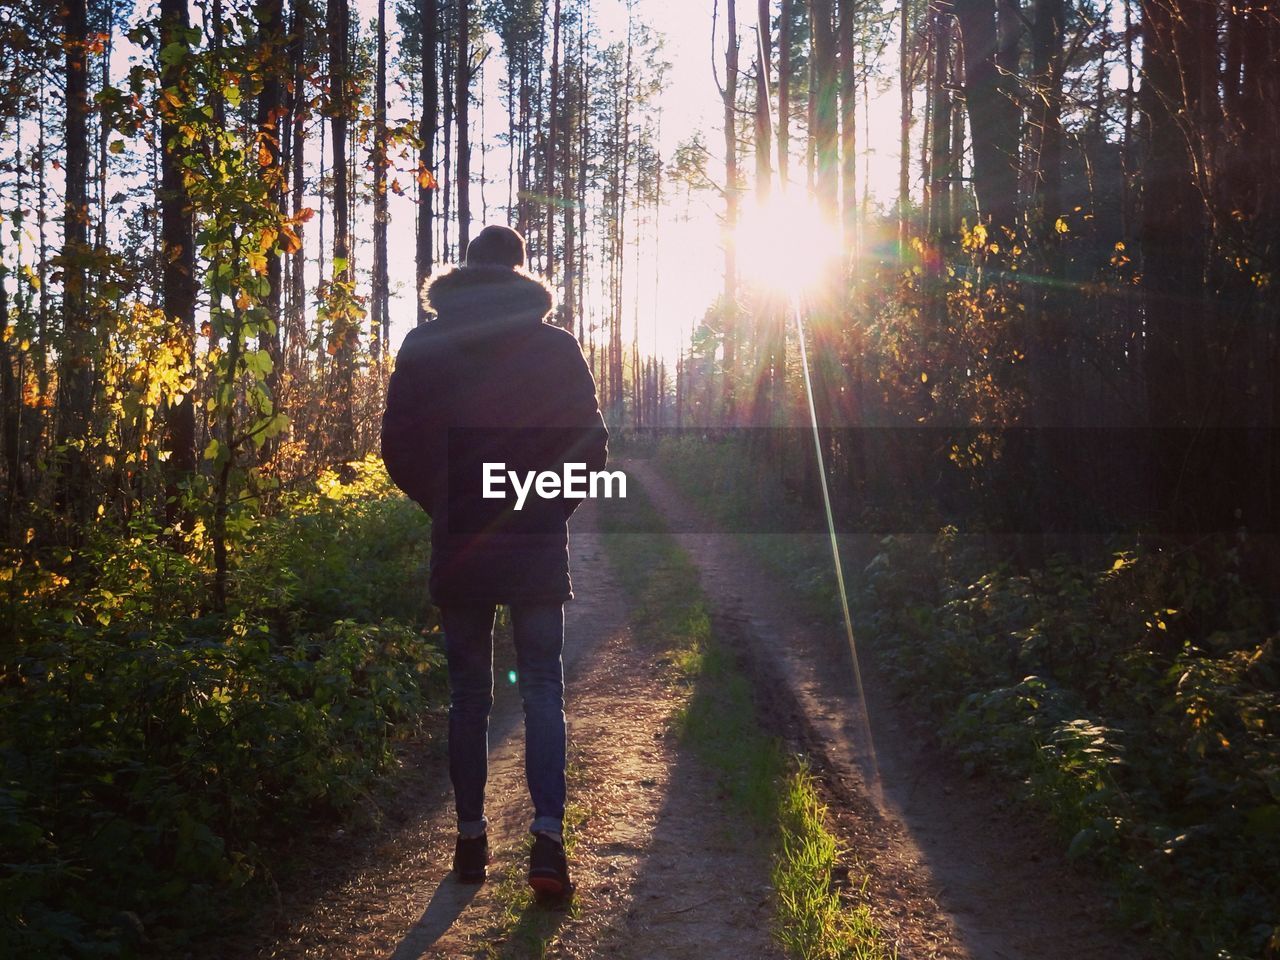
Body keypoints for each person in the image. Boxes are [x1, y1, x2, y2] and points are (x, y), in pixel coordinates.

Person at [380, 225, 608, 898]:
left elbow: (398, 447)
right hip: (534, 536)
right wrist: (545, 506)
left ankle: (472, 841)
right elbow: (590, 445)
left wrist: (447, 506)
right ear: (519, 274)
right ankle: (547, 843)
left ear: (467, 273)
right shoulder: (554, 345)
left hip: (461, 545)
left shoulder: (425, 344)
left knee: (468, 697)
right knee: (542, 686)